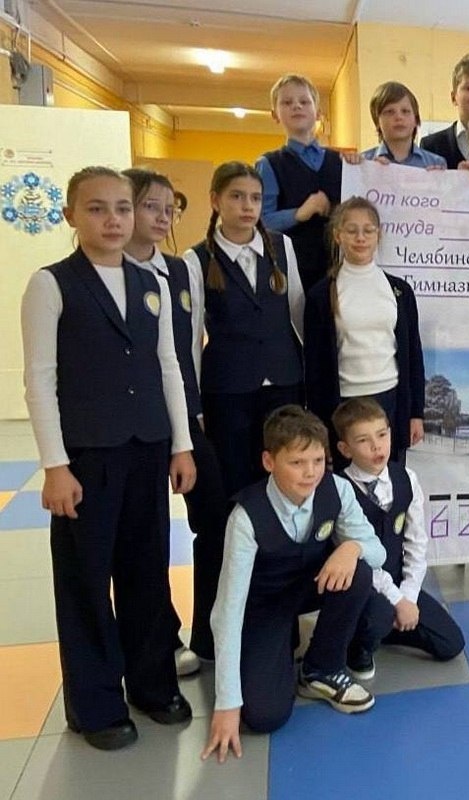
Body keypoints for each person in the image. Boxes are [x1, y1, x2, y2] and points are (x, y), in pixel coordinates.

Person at [21, 166, 196, 750]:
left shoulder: (151, 282)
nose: (113, 220)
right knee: (86, 582)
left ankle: (152, 685)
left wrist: (181, 444)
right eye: (97, 209)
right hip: (87, 456)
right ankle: (95, 705)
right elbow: (39, 380)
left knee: (147, 573)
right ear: (71, 216)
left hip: (147, 447)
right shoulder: (51, 285)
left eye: (123, 207)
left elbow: (169, 366)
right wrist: (55, 465)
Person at [203, 406, 386, 763]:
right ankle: (282, 646)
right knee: (264, 717)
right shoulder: (245, 517)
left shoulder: (337, 489)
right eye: (297, 462)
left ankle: (321, 669)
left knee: (362, 576)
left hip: (310, 588)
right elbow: (227, 612)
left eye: (317, 460)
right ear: (269, 462)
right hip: (265, 605)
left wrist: (351, 547)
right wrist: (227, 703)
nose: (310, 472)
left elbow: (377, 552)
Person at [122, 168, 228, 670]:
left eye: (171, 209)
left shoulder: (180, 269)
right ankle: (159, 637)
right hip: (136, 421)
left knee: (216, 519)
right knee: (145, 538)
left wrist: (196, 409)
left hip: (184, 412)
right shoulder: (108, 273)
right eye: (152, 206)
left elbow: (186, 349)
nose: (164, 217)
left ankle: (210, 629)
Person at [182, 162, 305, 498]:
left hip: (283, 383)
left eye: (255, 197)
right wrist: (194, 405)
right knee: (235, 477)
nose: (247, 206)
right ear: (215, 200)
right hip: (228, 388)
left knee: (285, 474)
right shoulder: (196, 259)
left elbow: (298, 315)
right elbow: (191, 338)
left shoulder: (282, 247)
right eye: (236, 196)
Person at [332, 398, 465, 679]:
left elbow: (417, 544)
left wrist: (408, 597)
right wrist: (396, 601)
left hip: (398, 581)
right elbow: (363, 562)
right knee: (378, 612)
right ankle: (360, 644)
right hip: (364, 585)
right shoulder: (340, 489)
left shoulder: (407, 478)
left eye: (382, 435)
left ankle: (387, 627)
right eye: (363, 440)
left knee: (451, 643)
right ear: (345, 449)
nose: (377, 446)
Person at [304, 197, 425, 471]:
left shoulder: (400, 291)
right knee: (347, 485)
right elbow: (314, 368)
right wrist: (321, 426)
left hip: (391, 402)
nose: (360, 238)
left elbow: (413, 356)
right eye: (352, 230)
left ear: (378, 235)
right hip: (343, 406)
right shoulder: (321, 295)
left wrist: (415, 413)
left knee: (389, 483)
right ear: (338, 235)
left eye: (368, 230)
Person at [256, 74, 353, 290]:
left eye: (304, 101)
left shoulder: (341, 161)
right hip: (290, 271)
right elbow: (260, 221)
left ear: (318, 112)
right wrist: (299, 213)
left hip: (339, 269)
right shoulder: (269, 164)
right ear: (275, 114)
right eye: (287, 102)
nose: (296, 106)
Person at [361, 81, 447, 169]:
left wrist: (438, 177)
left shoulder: (435, 163)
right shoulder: (363, 163)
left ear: (416, 120)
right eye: (390, 112)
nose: (399, 117)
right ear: (377, 121)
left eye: (405, 111)